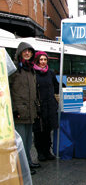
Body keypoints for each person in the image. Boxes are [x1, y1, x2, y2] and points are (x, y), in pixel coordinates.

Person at [9, 42, 41, 175]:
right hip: (19, 111)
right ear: (20, 53)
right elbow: (7, 89)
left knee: (28, 140)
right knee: (20, 141)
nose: (27, 53)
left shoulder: (31, 69)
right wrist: (12, 108)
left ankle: (27, 161)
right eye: (25, 51)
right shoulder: (15, 69)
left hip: (30, 110)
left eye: (30, 51)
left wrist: (37, 106)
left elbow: (35, 91)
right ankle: (21, 167)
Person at [33, 51, 59, 162]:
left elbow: (56, 86)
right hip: (39, 106)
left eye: (45, 59)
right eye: (41, 59)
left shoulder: (50, 73)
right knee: (39, 131)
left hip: (50, 106)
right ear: (37, 60)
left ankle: (47, 151)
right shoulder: (33, 72)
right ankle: (40, 153)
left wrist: (56, 100)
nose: (43, 62)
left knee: (48, 130)